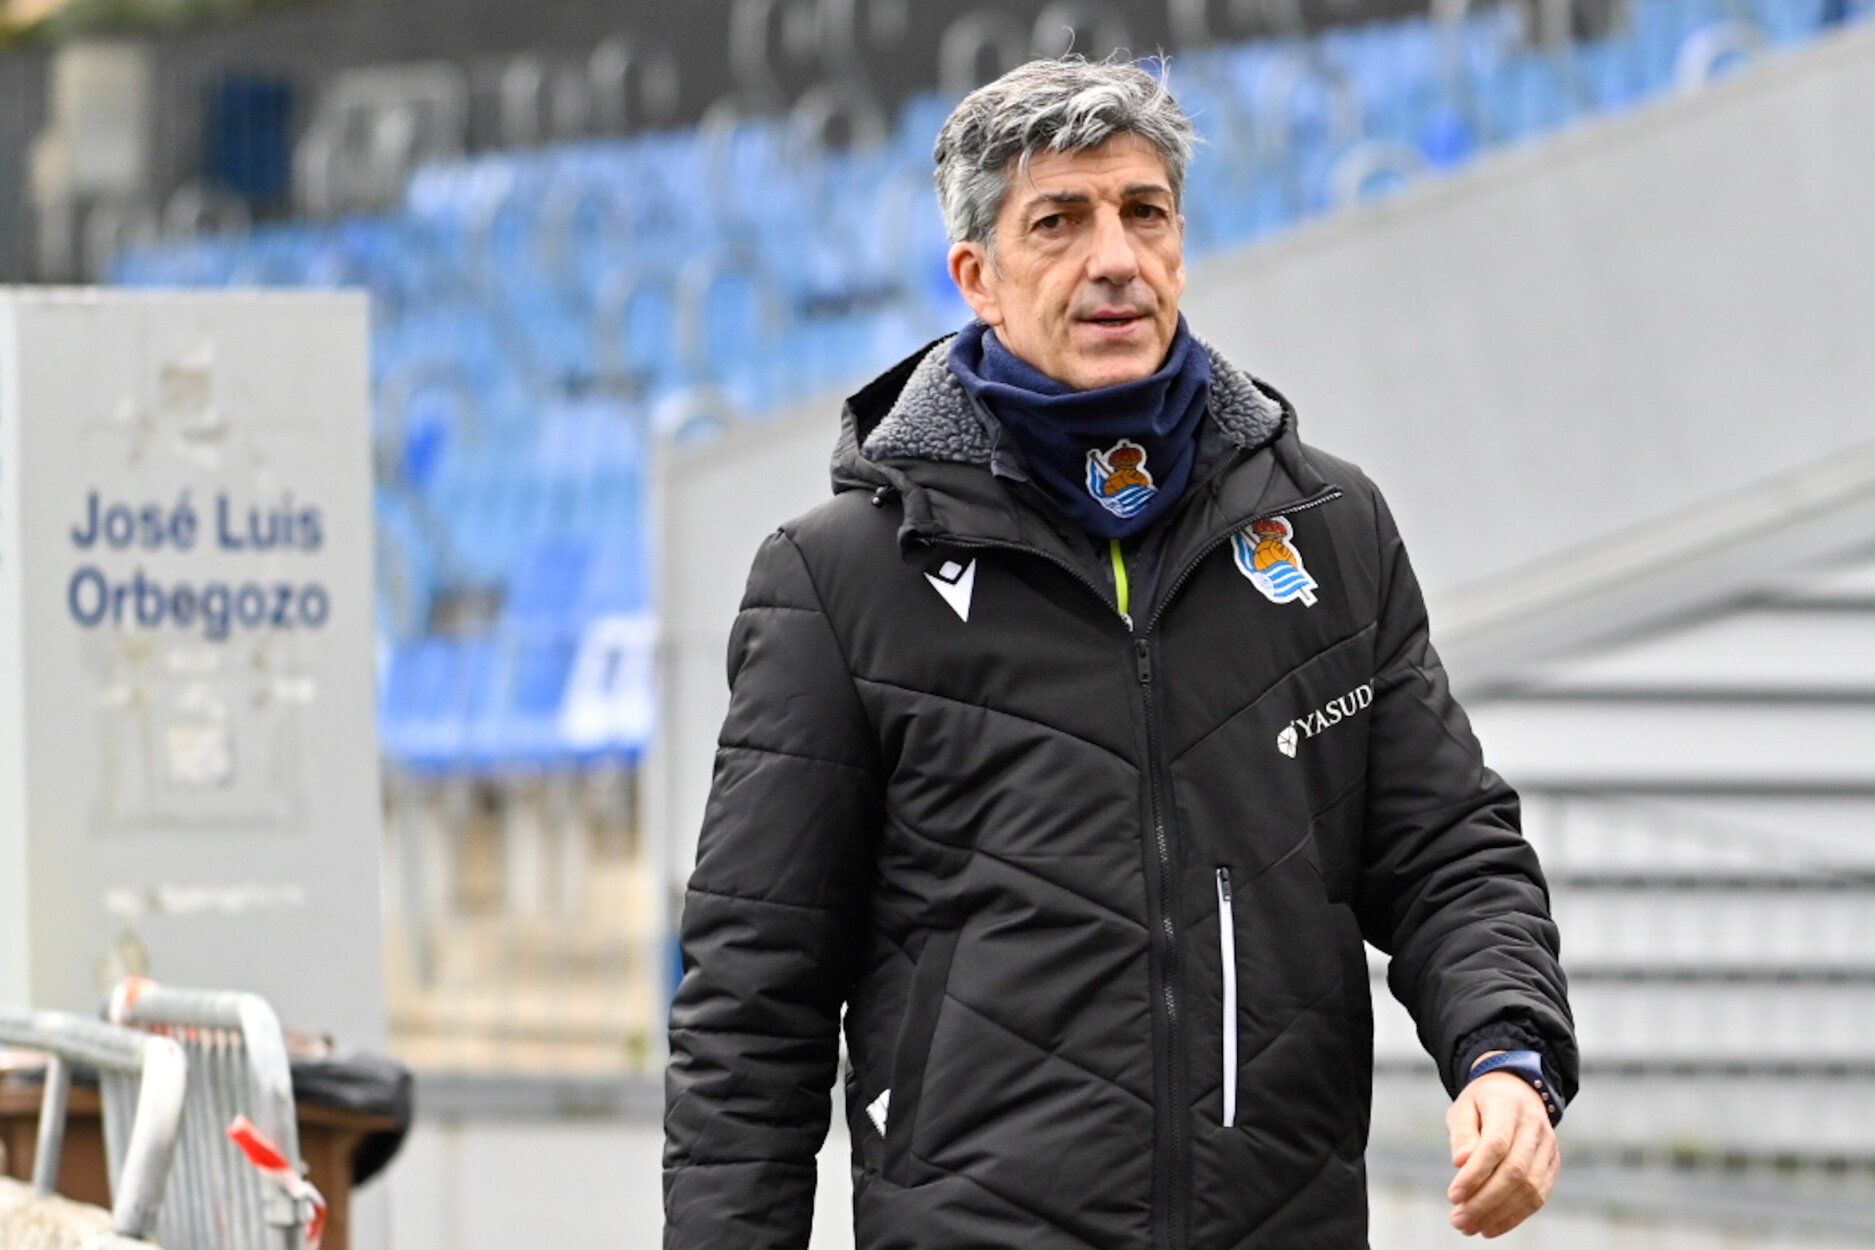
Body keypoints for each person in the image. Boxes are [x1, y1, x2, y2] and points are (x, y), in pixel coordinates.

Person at [663, 53, 1579, 1249]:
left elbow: (1449, 849)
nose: (1114, 258)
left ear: (1182, 244)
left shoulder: (1328, 529)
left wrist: (1507, 1049)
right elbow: (750, 1008)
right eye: (1060, 220)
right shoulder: (837, 579)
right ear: (976, 277)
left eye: (1143, 212)